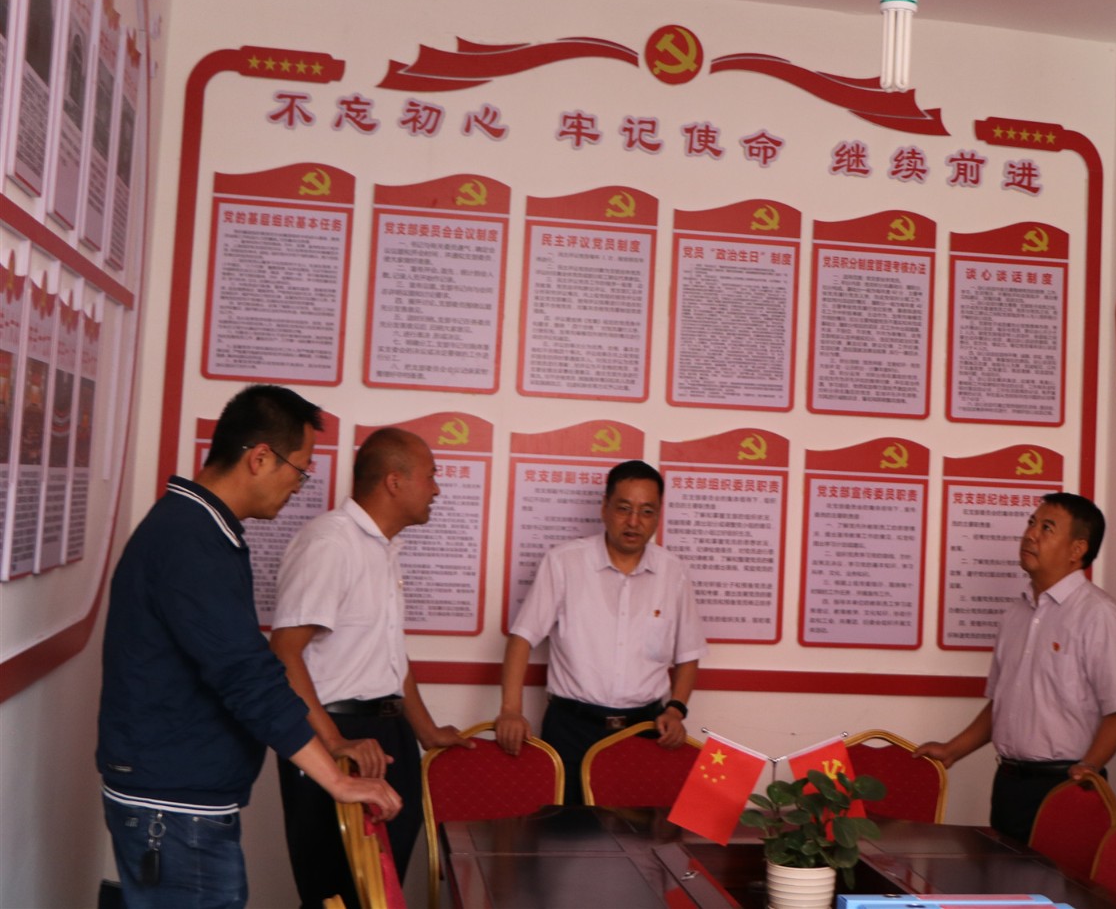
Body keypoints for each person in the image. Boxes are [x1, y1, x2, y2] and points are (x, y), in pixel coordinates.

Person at [97, 385, 400, 909]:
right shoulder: (189, 539)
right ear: (260, 458)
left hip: (182, 798)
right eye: (299, 470)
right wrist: (336, 780)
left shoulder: (203, 529)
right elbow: (245, 674)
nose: (300, 486)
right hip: (174, 808)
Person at [270, 427, 472, 909]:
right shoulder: (330, 543)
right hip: (334, 734)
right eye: (431, 476)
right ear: (394, 482)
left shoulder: (383, 547)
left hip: (387, 735)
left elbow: (389, 654)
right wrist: (335, 742)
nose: (437, 489)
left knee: (381, 892)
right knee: (336, 893)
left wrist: (425, 731)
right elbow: (283, 653)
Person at [916, 492, 1116, 844]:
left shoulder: (1099, 615)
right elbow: (1003, 703)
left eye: (1047, 528)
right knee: (1003, 877)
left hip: (1065, 786)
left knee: (1058, 880)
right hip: (1009, 784)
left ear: (1077, 549)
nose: (1031, 534)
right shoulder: (1016, 613)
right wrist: (952, 750)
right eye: (1032, 523)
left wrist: (1088, 769)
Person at [495, 459, 705, 804]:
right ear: (604, 507)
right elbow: (523, 637)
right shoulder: (565, 562)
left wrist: (675, 710)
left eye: (647, 511)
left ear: (658, 515)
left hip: (643, 729)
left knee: (637, 831)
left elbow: (688, 653)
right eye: (624, 508)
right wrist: (510, 710)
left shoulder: (673, 572)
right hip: (571, 729)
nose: (634, 521)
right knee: (565, 828)